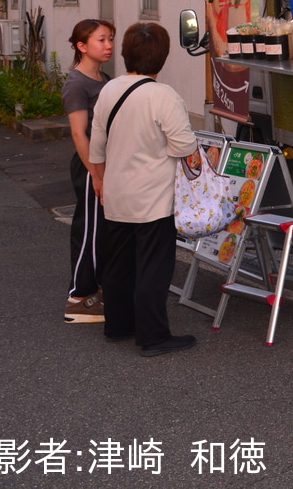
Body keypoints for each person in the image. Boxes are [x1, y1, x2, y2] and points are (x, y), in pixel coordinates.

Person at [88, 23, 202, 357]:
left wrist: (100, 179)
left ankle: (118, 326)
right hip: (153, 198)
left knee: (119, 265)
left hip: (117, 194)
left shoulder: (109, 91)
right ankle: (153, 336)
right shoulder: (163, 96)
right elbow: (184, 146)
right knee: (153, 267)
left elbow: (97, 147)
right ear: (162, 57)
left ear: (125, 53)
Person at [62, 19, 115, 323]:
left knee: (104, 230)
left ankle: (98, 292)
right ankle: (79, 298)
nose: (108, 46)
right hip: (89, 166)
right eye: (101, 40)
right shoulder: (77, 83)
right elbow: (79, 134)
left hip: (106, 164)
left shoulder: (104, 78)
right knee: (89, 230)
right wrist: (95, 174)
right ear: (82, 46)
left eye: (110, 39)